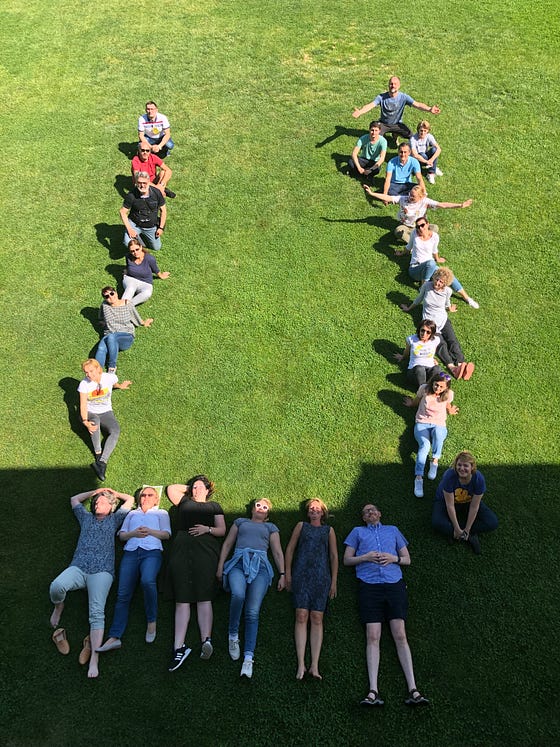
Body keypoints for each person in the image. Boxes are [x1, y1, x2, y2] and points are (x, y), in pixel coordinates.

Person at [343, 504, 428, 707]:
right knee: (373, 636)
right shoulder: (357, 532)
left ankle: (413, 689)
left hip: (394, 584)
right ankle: (373, 691)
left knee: (400, 634)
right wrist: (365, 557)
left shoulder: (393, 530)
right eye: (366, 512)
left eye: (373, 510)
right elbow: (346, 560)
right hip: (369, 586)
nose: (370, 512)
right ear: (363, 518)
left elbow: (407, 559)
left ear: (379, 514)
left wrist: (393, 558)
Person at [49, 487, 134, 678]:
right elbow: (74, 499)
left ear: (111, 507)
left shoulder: (114, 520)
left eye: (102, 502)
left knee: (96, 612)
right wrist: (96, 491)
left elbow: (129, 500)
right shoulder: (86, 518)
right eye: (96, 502)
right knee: (56, 586)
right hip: (78, 568)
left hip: (102, 572)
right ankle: (59, 606)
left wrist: (113, 493)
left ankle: (94, 659)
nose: (97, 504)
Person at [96, 486, 171, 654]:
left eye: (150, 495)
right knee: (123, 594)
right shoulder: (132, 514)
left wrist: (150, 531)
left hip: (151, 552)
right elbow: (122, 535)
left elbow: (166, 534)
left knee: (148, 580)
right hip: (130, 553)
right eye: (143, 495)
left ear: (156, 499)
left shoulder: (161, 513)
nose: (145, 497)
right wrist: (134, 533)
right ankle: (114, 637)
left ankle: (151, 621)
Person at [217, 498, 286, 679]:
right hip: (238, 562)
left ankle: (248, 658)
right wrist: (220, 566)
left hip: (260, 567)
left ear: (267, 513)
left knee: (253, 611)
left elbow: (277, 552)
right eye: (258, 505)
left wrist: (283, 574)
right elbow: (227, 544)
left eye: (265, 507)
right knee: (238, 595)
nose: (261, 508)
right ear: (253, 509)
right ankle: (233, 635)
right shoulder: (240, 522)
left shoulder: (270, 527)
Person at [166, 475, 226, 671]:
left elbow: (222, 530)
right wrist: (191, 487)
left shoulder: (214, 506)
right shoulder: (184, 502)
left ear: (208, 490)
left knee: (204, 595)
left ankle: (206, 640)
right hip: (182, 549)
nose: (196, 490)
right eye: (194, 487)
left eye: (201, 487)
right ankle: (178, 648)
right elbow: (171, 489)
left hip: (205, 549)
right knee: (181, 597)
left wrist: (207, 529)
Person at [285, 499, 338, 681]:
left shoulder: (329, 530)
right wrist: (288, 574)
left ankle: (314, 665)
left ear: (322, 512)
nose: (314, 510)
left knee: (317, 617)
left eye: (317, 508)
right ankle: (301, 664)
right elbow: (290, 549)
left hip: (322, 576)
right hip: (301, 574)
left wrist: (334, 581)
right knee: (301, 615)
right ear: (308, 513)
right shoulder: (301, 526)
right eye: (311, 509)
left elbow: (333, 556)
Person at [400, 267, 476, 380]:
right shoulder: (427, 286)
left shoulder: (448, 291)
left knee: (452, 340)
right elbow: (419, 299)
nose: (437, 283)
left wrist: (450, 308)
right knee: (441, 344)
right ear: (434, 277)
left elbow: (447, 302)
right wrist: (409, 308)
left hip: (443, 319)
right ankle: (453, 368)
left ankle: (461, 364)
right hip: (431, 323)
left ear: (445, 284)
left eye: (441, 282)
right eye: (437, 279)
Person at [397, 217, 479, 308]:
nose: (420, 228)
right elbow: (409, 247)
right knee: (431, 263)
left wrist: (438, 258)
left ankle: (467, 298)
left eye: (422, 225)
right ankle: (423, 287)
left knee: (446, 275)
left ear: (427, 224)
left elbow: (434, 250)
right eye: (418, 226)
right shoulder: (414, 234)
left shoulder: (435, 236)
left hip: (430, 267)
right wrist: (401, 253)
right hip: (415, 269)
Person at [404, 370, 459, 497]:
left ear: (446, 388)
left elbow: (447, 403)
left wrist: (450, 410)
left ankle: (434, 461)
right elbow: (418, 400)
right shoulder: (424, 389)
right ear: (432, 382)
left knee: (439, 435)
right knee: (425, 446)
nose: (437, 388)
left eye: (441, 387)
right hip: (422, 423)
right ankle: (418, 478)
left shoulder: (449, 394)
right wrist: (412, 404)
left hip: (439, 424)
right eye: (436, 385)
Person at [432, 451, 498, 555]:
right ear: (455, 465)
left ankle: (457, 533)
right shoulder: (449, 476)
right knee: (436, 522)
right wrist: (457, 528)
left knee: (492, 522)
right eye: (459, 465)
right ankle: (463, 534)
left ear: (472, 467)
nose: (462, 468)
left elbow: (474, 506)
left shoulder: (478, 479)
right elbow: (450, 505)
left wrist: (467, 529)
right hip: (445, 501)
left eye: (466, 466)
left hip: (468, 501)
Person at [364, 182, 473, 243]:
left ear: (420, 197)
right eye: (410, 194)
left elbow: (442, 205)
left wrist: (460, 205)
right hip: (406, 226)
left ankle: (416, 239)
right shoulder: (403, 199)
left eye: (413, 196)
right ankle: (416, 243)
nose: (410, 197)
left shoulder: (425, 201)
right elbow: (388, 197)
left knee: (435, 228)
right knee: (398, 231)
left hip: (420, 226)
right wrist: (372, 194)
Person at [78, 359, 132, 481]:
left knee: (115, 430)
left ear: (98, 369)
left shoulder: (109, 377)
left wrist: (120, 386)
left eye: (91, 371)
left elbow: (114, 383)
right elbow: (83, 405)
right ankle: (98, 453)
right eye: (86, 372)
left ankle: (102, 462)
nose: (89, 375)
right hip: (90, 412)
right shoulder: (84, 384)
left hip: (106, 412)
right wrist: (85, 421)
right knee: (95, 421)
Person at [352, 76, 440, 142]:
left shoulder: (404, 97)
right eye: (391, 84)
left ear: (399, 85)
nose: (393, 86)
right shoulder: (381, 97)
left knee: (411, 136)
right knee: (376, 138)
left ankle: (395, 134)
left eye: (395, 84)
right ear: (388, 85)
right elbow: (371, 105)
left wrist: (429, 109)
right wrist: (360, 112)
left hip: (397, 124)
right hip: (383, 124)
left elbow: (417, 104)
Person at [95, 286, 153, 372]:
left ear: (116, 293)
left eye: (112, 293)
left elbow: (135, 315)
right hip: (109, 333)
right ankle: (97, 372)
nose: (110, 297)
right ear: (105, 299)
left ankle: (112, 367)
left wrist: (143, 322)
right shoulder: (104, 305)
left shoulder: (127, 303)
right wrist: (102, 322)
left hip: (126, 335)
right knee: (101, 348)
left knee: (111, 337)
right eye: (107, 296)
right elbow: (101, 316)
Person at [120, 172, 167, 251]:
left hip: (150, 226)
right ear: (136, 183)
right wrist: (130, 229)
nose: (142, 185)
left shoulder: (156, 193)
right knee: (127, 243)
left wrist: (161, 228)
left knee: (156, 247)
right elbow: (122, 212)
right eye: (139, 183)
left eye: (144, 183)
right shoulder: (131, 195)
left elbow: (163, 211)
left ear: (149, 182)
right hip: (135, 224)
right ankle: (137, 236)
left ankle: (140, 237)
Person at [394, 319, 442, 388]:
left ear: (431, 334)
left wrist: (432, 358)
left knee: (437, 368)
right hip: (415, 371)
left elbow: (433, 350)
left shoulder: (436, 340)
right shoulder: (411, 339)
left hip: (429, 369)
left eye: (428, 332)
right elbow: (407, 351)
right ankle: (422, 389)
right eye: (423, 330)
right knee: (420, 369)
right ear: (419, 329)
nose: (424, 334)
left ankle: (428, 387)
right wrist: (403, 357)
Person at [122, 239, 170, 306]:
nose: (135, 252)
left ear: (141, 247)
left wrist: (161, 275)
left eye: (137, 249)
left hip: (145, 282)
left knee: (147, 293)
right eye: (132, 251)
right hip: (130, 279)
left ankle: (128, 306)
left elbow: (155, 270)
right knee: (130, 288)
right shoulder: (128, 256)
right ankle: (122, 306)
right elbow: (128, 267)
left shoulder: (149, 258)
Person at [409, 120, 442, 185]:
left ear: (428, 131)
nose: (423, 133)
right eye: (421, 130)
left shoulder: (429, 136)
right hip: (416, 159)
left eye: (425, 131)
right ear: (418, 130)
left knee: (434, 150)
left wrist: (431, 160)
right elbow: (415, 154)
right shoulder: (413, 139)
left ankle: (431, 172)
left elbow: (439, 149)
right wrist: (427, 162)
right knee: (422, 154)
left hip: (426, 158)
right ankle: (433, 167)